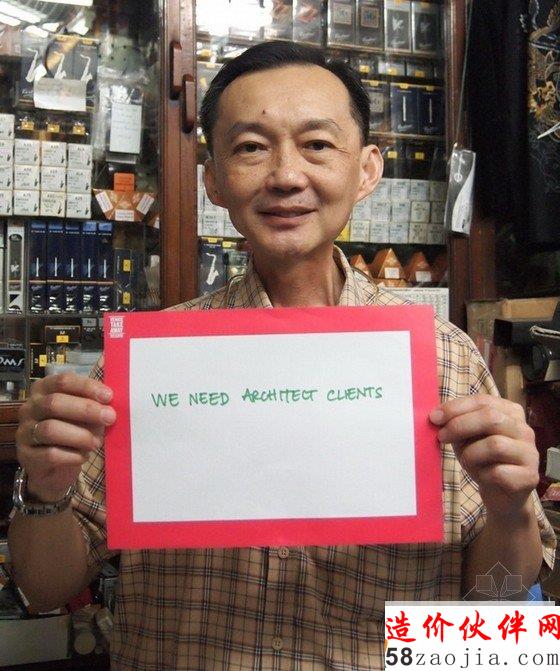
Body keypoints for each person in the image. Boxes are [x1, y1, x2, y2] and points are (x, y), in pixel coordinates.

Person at [9, 41, 556, 670]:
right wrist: (46, 490)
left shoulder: (444, 360)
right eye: (251, 147)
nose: (287, 175)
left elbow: (495, 603)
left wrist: (510, 511)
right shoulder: (151, 368)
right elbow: (45, 589)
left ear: (367, 170)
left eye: (318, 144)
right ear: (212, 179)